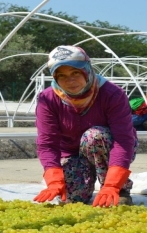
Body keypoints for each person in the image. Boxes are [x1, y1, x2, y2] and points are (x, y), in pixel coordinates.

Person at [33, 45, 137, 207]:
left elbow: (123, 140)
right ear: (54, 77)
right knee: (72, 198)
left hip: (107, 144)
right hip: (72, 152)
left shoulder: (111, 94)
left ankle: (119, 189)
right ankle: (84, 179)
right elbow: (47, 143)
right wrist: (54, 180)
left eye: (76, 72)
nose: (70, 80)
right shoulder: (48, 99)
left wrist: (113, 184)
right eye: (62, 75)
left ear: (87, 70)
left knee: (94, 136)